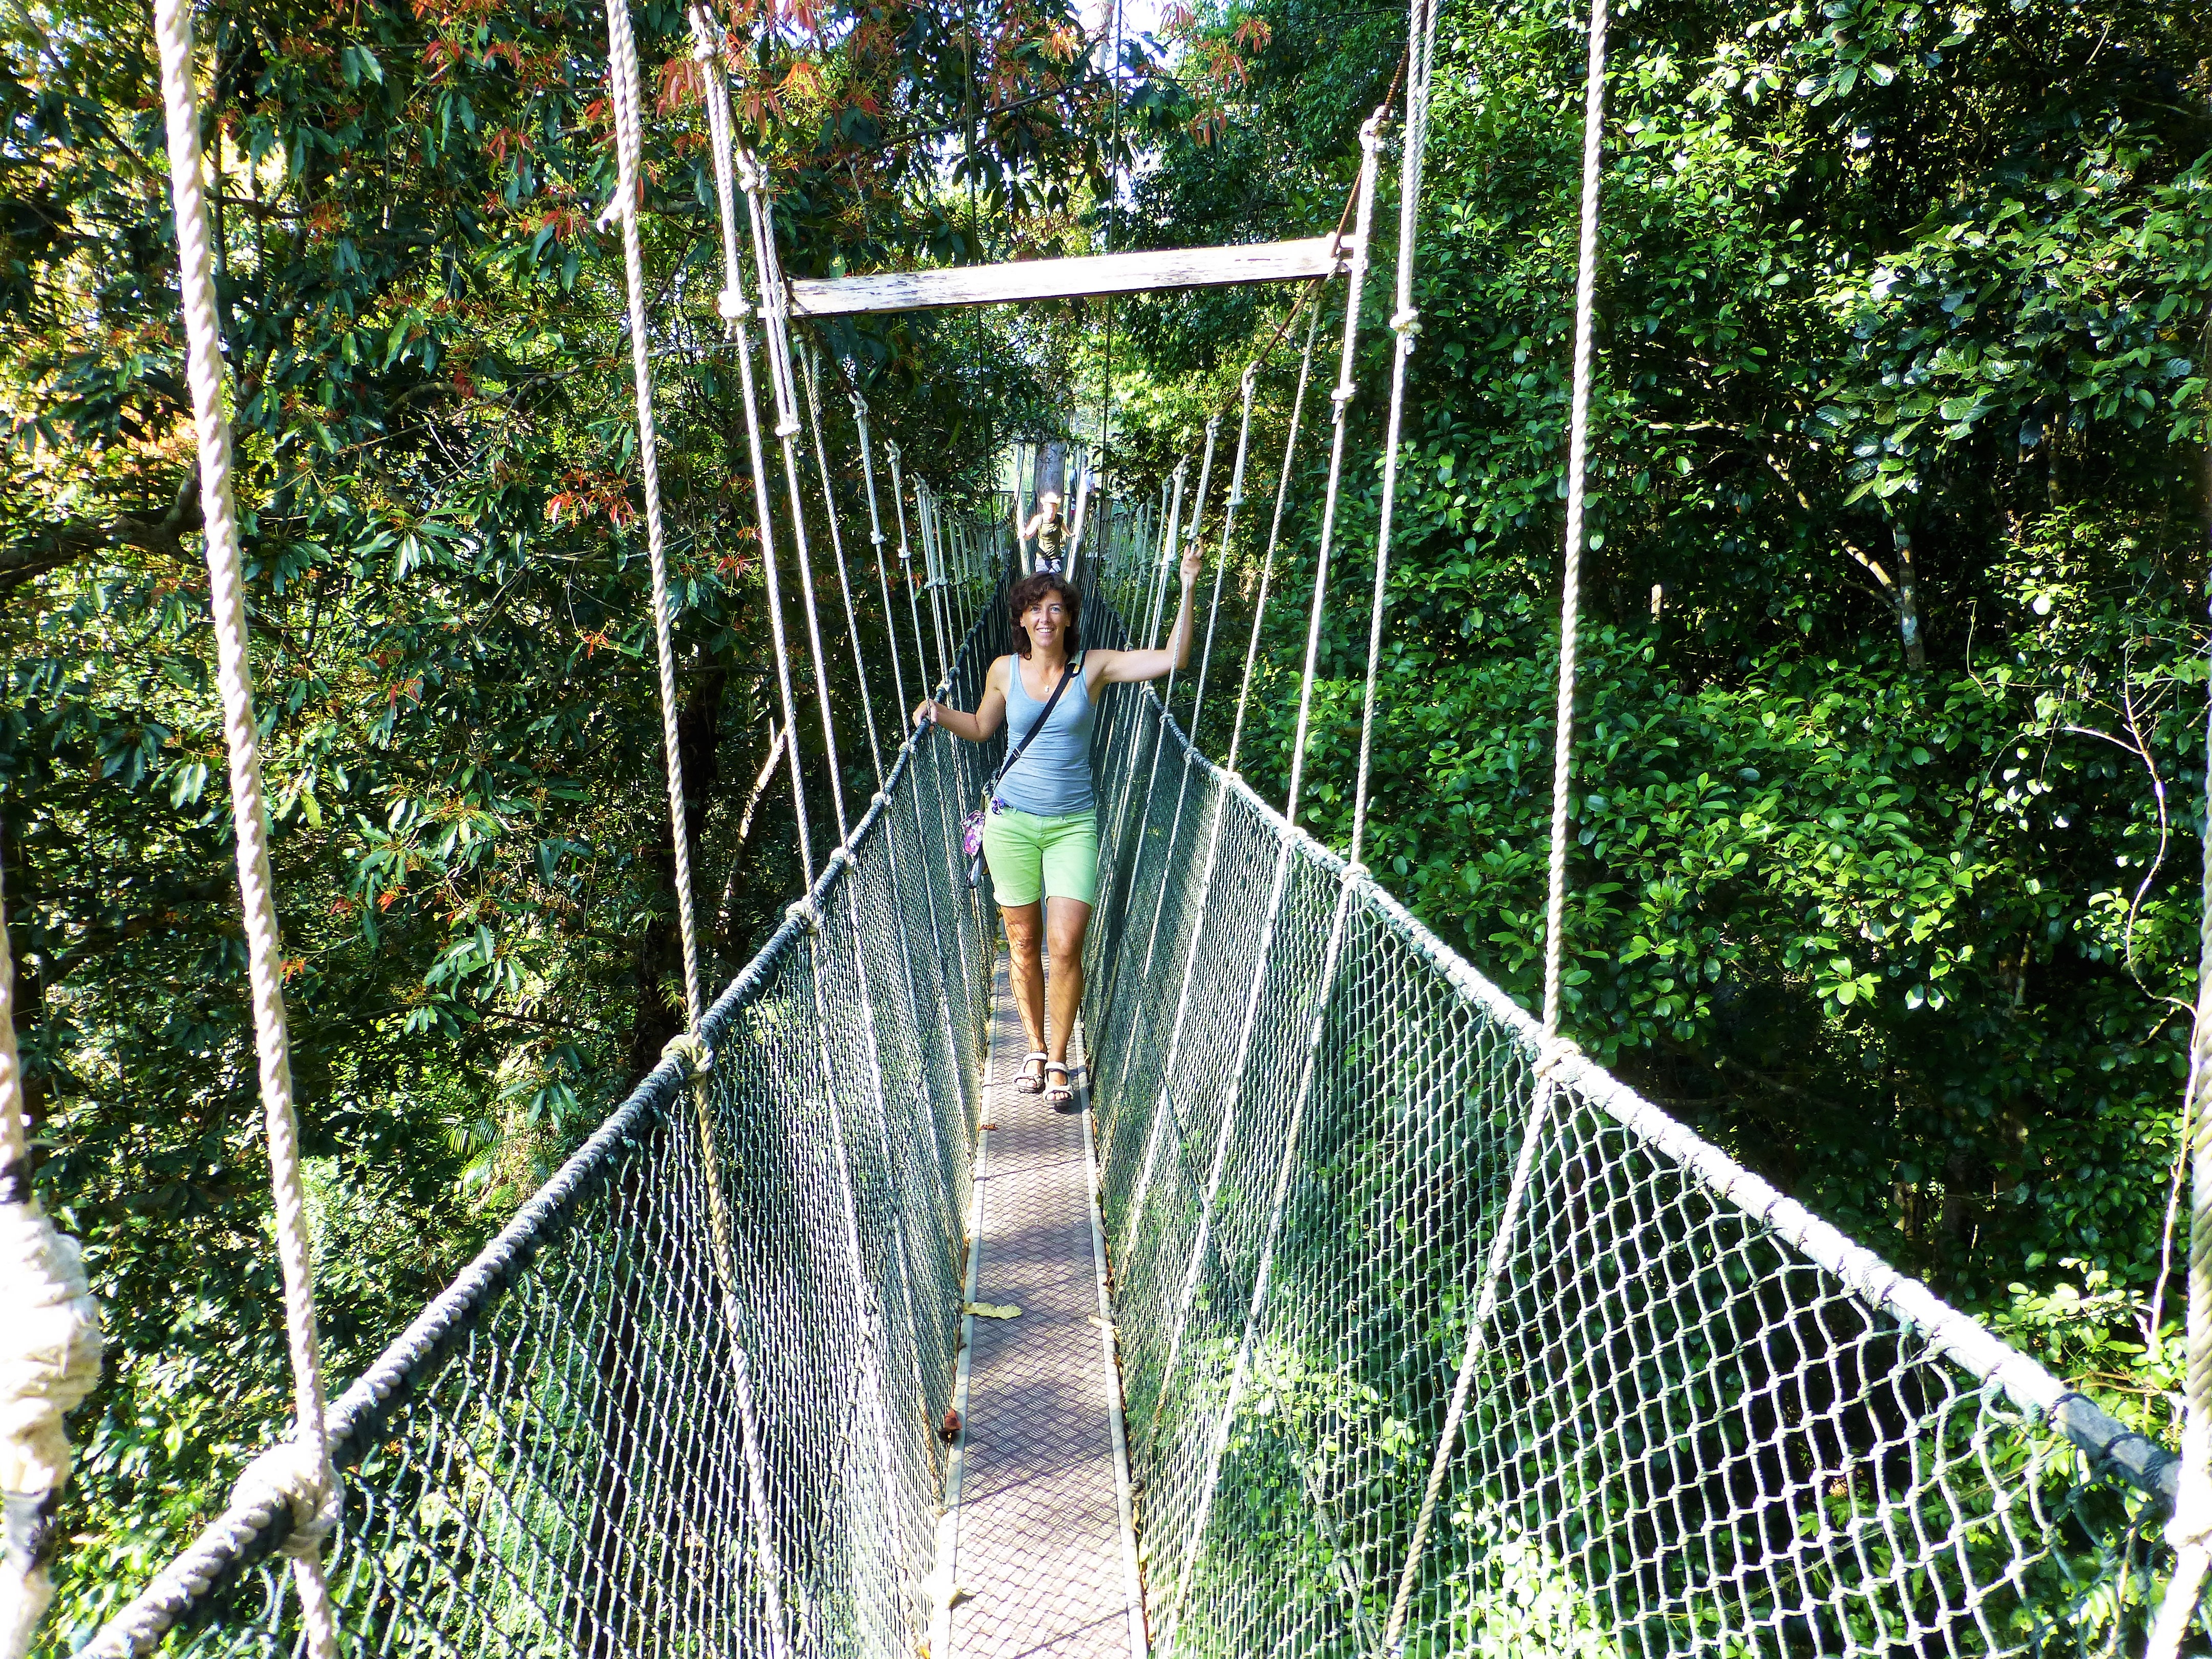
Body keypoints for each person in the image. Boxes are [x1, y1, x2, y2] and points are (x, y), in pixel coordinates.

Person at [913, 542, 1201, 1105]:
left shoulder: (1093, 667)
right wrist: (935, 712)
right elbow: (979, 727)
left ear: (1069, 616)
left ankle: (1062, 1056)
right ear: (1021, 619)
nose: (1045, 618)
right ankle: (1035, 1049)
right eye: (1033, 608)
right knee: (1022, 942)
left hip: (1074, 824)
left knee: (1066, 945)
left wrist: (1187, 587)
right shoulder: (1003, 670)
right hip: (1011, 823)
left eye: (1055, 608)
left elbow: (1174, 659)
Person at [1022, 489, 1067, 573]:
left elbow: (1063, 526)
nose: (1052, 511)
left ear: (1056, 508)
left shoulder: (1059, 518)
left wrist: (1070, 534)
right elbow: (1029, 535)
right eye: (1050, 508)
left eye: (1054, 508)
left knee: (1056, 583)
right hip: (1042, 559)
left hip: (1056, 559)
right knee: (1041, 584)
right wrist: (1024, 535)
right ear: (1044, 508)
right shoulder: (1039, 519)